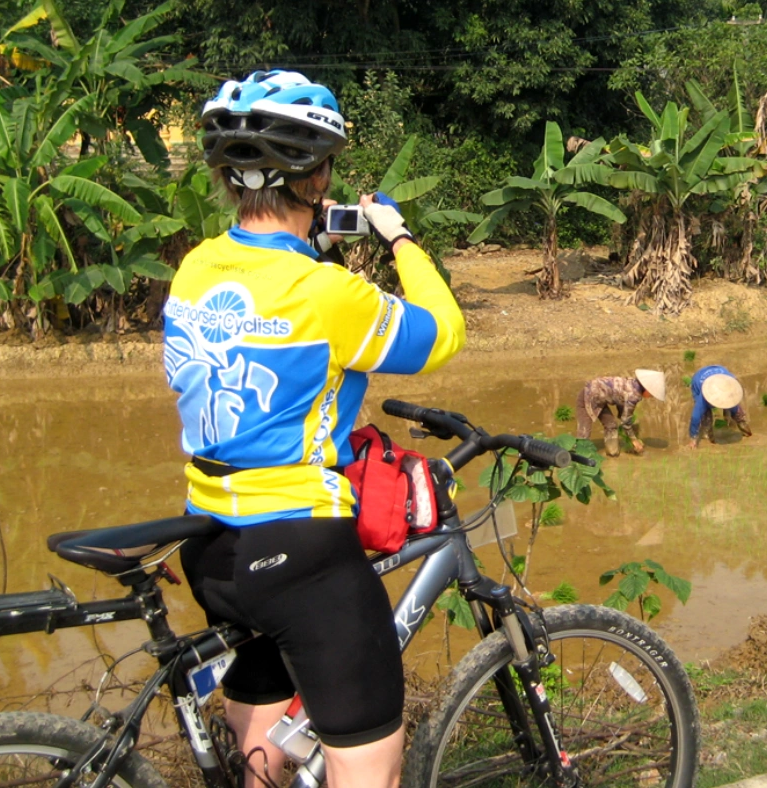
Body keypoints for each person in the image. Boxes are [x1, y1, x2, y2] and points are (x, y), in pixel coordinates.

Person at [162, 70, 465, 788]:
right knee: (370, 774)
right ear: (314, 172)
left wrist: (313, 252)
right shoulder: (326, 294)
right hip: (299, 551)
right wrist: (401, 239)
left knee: (263, 762)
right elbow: (442, 332)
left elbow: (264, 321)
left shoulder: (195, 269)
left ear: (229, 178)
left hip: (210, 546)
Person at [575, 369, 667, 457]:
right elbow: (625, 422)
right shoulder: (633, 395)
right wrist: (634, 440)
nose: (651, 397)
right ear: (647, 389)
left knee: (611, 425)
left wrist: (625, 418)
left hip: (599, 399)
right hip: (586, 397)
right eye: (651, 394)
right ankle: (579, 457)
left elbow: (620, 401)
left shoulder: (632, 383)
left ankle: (612, 453)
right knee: (584, 433)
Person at [687, 365, 751, 448]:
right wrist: (693, 438)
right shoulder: (703, 398)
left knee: (736, 411)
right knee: (706, 418)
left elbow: (735, 406)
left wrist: (742, 422)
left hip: (721, 371)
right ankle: (707, 434)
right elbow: (695, 418)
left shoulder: (730, 382)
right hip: (698, 379)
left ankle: (740, 425)